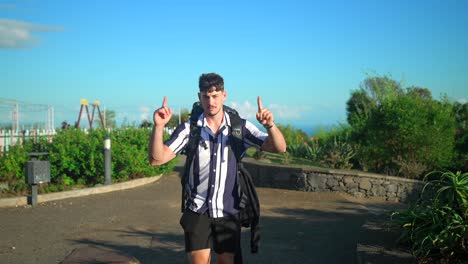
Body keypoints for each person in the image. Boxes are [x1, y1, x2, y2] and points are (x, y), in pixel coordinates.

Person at [149, 73, 286, 264]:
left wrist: (270, 125)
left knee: (226, 261)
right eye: (206, 96)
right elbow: (157, 159)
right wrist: (158, 126)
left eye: (215, 95)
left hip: (228, 210)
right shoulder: (190, 129)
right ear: (199, 97)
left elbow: (279, 147)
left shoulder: (239, 128)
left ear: (224, 95)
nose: (210, 101)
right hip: (197, 210)